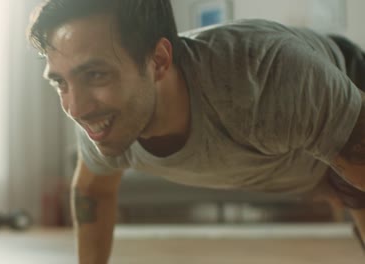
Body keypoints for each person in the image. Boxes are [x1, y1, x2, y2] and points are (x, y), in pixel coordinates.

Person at [28, 0, 365, 262]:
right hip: (297, 163)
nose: (76, 108)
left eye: (96, 75)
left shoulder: (263, 76)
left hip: (350, 92)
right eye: (60, 82)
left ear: (159, 60)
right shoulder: (103, 117)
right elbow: (93, 191)